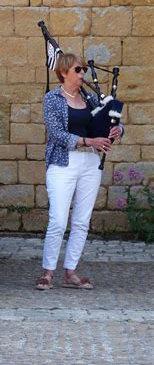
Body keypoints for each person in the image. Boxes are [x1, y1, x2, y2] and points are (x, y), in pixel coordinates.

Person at [35, 53, 123, 290]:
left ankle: (70, 272)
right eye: (78, 70)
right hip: (63, 163)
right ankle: (48, 272)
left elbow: (111, 121)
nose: (83, 74)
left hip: (90, 164)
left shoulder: (91, 99)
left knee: (82, 220)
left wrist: (116, 131)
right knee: (58, 219)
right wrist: (88, 141)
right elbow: (57, 134)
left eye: (83, 69)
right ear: (63, 72)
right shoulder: (52, 98)